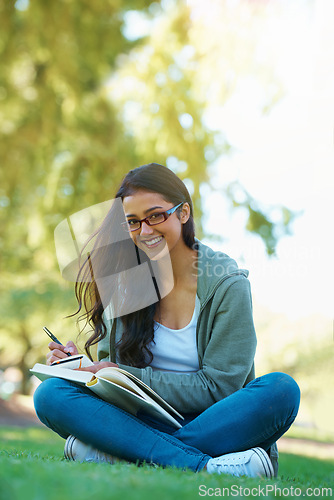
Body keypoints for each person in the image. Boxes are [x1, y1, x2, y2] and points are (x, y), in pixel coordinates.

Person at [33, 163, 300, 478]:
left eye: (156, 215)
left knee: (282, 389)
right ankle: (206, 465)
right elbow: (112, 384)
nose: (145, 231)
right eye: (133, 222)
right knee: (50, 394)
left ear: (183, 213)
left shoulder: (227, 283)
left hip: (214, 422)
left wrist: (127, 375)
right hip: (141, 421)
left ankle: (125, 452)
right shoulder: (123, 285)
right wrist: (77, 367)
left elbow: (222, 388)